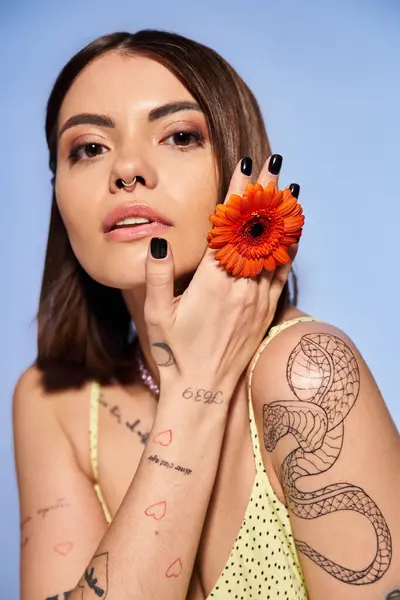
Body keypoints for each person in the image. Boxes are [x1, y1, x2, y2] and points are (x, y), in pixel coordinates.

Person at [12, 29, 400, 600]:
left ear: (238, 172)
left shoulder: (307, 375)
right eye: (89, 147)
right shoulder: (55, 402)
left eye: (179, 135)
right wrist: (195, 388)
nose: (127, 169)